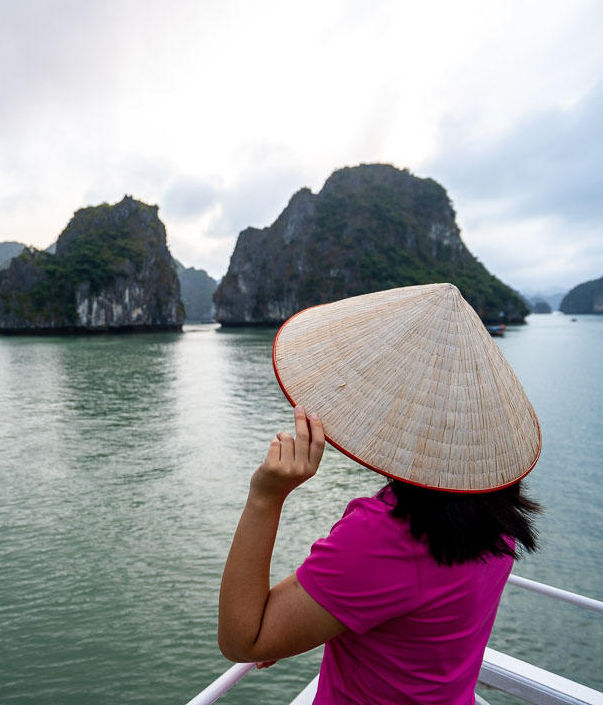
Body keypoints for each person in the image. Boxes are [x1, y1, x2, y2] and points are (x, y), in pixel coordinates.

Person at [217, 283, 542, 704]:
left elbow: (245, 641)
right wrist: (305, 618)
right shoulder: (498, 520)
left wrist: (266, 496)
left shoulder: (386, 536)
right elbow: (406, 610)